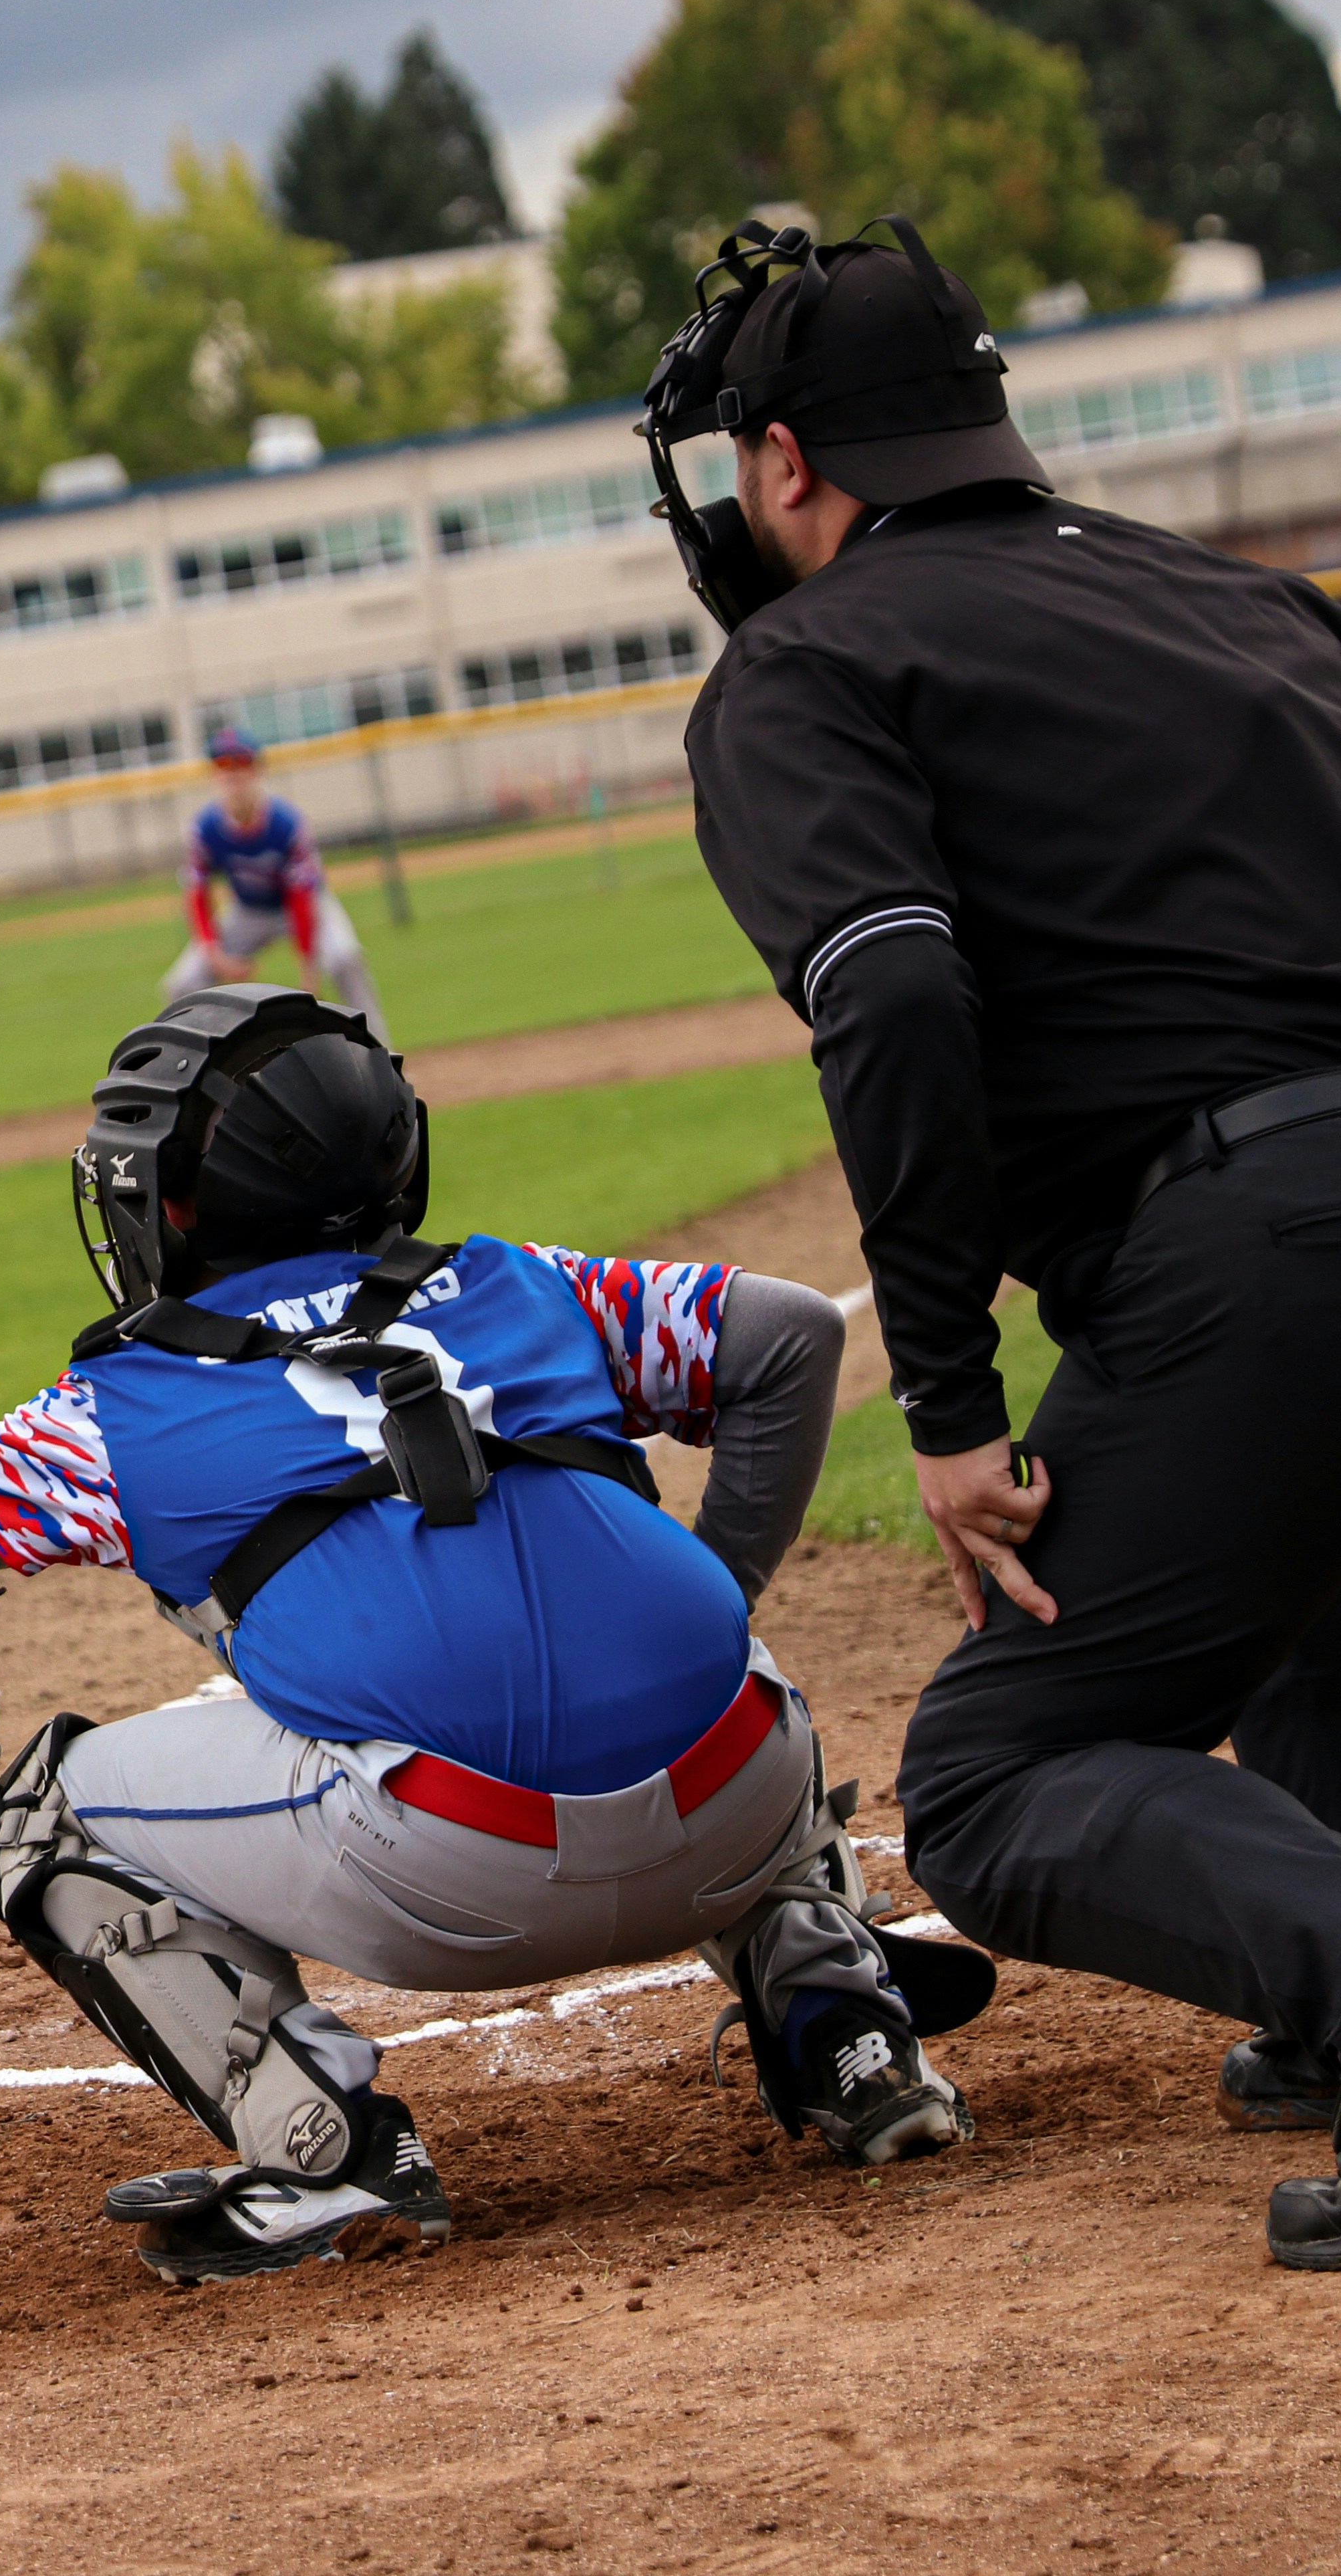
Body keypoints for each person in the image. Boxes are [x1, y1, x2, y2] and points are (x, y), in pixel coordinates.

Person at [0, 986, 987, 2284]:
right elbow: (791, 1332)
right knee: (712, 1650)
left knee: (42, 1811)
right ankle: (846, 2024)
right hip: (739, 1795)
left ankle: (326, 2146)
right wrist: (722, 1578)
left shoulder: (114, 1404)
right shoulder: (527, 1282)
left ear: (172, 1207)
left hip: (455, 1876)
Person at [662, 215, 1341, 2268]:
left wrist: (947, 1400)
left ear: (785, 464)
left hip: (1252, 1238)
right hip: (1285, 1243)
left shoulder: (807, 665)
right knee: (1299, 1583)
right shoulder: (1247, 602)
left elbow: (887, 992)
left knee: (993, 1771)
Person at [164, 725, 383, 1035]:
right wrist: (214, 953)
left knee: (344, 960)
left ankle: (382, 1060)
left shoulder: (286, 824)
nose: (232, 773)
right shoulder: (205, 828)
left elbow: (301, 896)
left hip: (306, 908)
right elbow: (198, 893)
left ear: (258, 770)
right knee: (184, 983)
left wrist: (309, 968)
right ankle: (203, 1070)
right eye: (222, 764)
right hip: (248, 911)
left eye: (240, 763)